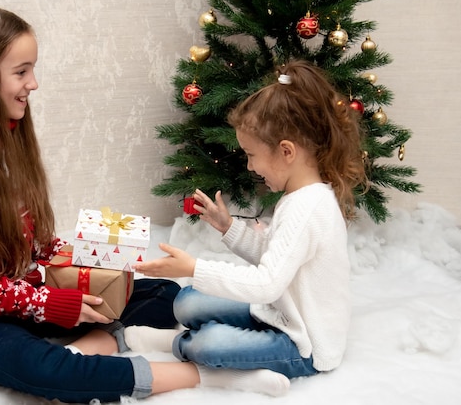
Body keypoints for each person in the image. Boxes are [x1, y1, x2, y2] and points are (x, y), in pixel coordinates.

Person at [0, 5, 205, 403]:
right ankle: (202, 375)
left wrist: (97, 262)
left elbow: (37, 247)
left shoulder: (7, 148)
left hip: (28, 301)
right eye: (21, 71)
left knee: (160, 294)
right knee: (48, 369)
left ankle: (112, 337)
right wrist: (51, 305)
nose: (34, 83)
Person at [133, 59, 368, 395]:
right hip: (280, 311)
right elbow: (276, 257)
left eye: (251, 154)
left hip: (306, 345)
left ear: (286, 151)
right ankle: (205, 345)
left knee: (208, 345)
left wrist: (195, 267)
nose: (249, 165)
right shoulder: (300, 196)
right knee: (187, 303)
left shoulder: (307, 208)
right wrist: (229, 228)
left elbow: (266, 283)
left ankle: (183, 347)